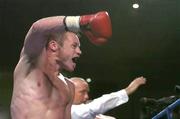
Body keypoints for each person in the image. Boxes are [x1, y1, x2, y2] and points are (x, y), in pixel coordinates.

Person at [10, 11, 112, 119]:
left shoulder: (69, 86)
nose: (79, 51)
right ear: (54, 46)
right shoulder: (31, 66)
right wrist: (79, 22)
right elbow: (37, 28)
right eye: (74, 46)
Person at [69, 76, 146, 119]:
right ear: (69, 92)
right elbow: (93, 107)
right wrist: (127, 90)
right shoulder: (67, 111)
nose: (87, 96)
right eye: (82, 92)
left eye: (87, 92)